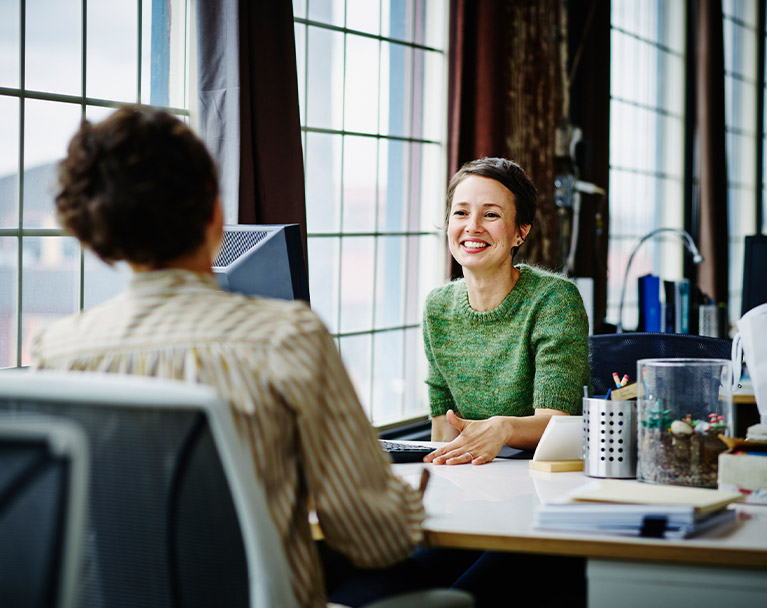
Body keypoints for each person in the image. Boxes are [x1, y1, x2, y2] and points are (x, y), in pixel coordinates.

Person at [29, 106, 426, 608]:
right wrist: (409, 502)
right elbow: (375, 539)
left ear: (99, 240)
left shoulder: (56, 352)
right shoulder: (287, 336)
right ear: (216, 214)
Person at [422, 157, 590, 466]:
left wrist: (503, 427)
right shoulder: (437, 307)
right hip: (474, 475)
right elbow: (443, 429)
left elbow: (558, 423)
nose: (472, 226)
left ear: (520, 232)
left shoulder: (554, 300)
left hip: (546, 473)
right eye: (461, 212)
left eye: (490, 214)